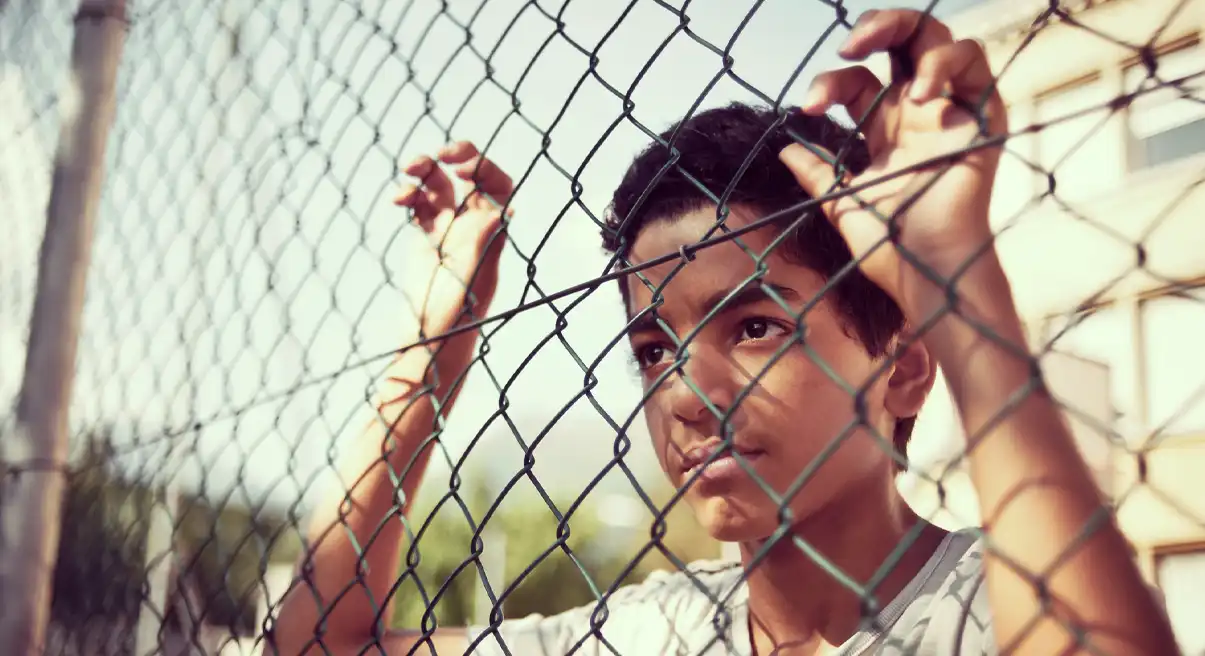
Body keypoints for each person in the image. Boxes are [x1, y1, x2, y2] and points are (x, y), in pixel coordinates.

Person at [271, 8, 1176, 655]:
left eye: (753, 325)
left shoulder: (996, 604)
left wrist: (957, 276)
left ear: (902, 367)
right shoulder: (651, 631)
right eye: (652, 351)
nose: (686, 396)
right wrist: (435, 349)